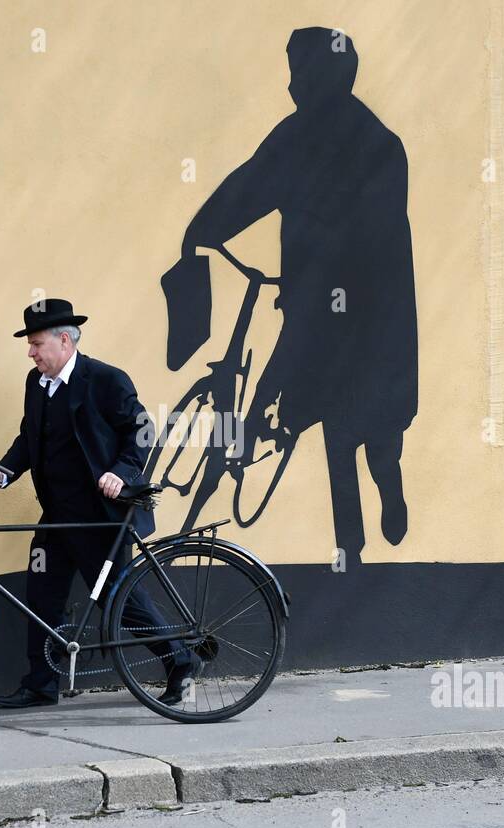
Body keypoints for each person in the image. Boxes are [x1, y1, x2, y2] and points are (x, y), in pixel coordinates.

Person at [173, 26, 418, 564]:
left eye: (299, 73)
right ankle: (348, 550)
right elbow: (249, 187)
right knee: (332, 428)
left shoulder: (380, 148)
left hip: (372, 321)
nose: (291, 87)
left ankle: (389, 484)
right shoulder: (295, 137)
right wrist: (201, 232)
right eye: (291, 74)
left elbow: (376, 242)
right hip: (314, 308)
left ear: (328, 75)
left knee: (374, 431)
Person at [0, 298, 201, 707]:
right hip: (58, 516)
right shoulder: (36, 383)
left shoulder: (104, 380)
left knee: (119, 601)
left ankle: (181, 660)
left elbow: (141, 430)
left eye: (35, 344)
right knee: (42, 594)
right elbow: (28, 439)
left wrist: (120, 471)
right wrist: (4, 471)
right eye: (29, 346)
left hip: (100, 516)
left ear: (64, 341)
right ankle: (41, 684)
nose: (30, 353)